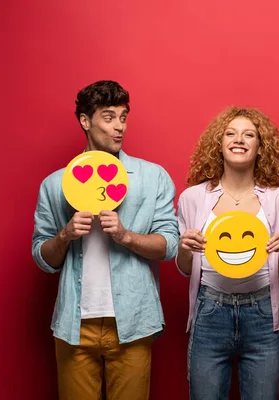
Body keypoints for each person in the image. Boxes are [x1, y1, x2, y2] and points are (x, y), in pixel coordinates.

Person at [31, 80, 179, 400]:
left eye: (123, 117)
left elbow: (171, 245)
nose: (119, 127)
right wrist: (65, 234)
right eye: (108, 117)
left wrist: (125, 236)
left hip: (133, 322)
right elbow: (43, 258)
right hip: (74, 325)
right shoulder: (55, 184)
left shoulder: (152, 178)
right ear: (85, 121)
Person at [176, 106, 279, 399]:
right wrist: (184, 247)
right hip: (210, 313)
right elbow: (184, 268)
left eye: (249, 134)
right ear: (218, 145)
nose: (239, 139)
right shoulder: (192, 198)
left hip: (261, 314)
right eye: (230, 133)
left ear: (260, 147)